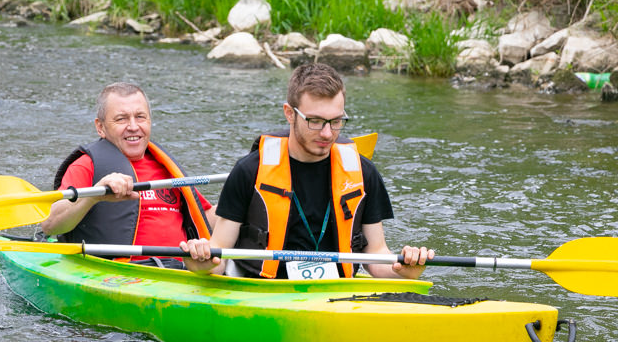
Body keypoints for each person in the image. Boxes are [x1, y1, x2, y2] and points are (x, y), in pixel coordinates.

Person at [182, 62, 433, 279]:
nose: (327, 133)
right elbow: (220, 255)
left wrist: (405, 269)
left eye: (336, 122)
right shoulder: (249, 171)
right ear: (290, 114)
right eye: (315, 121)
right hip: (262, 289)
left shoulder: (363, 172)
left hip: (337, 291)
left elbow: (377, 256)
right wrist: (200, 263)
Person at [42, 82, 214, 267]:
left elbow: (206, 216)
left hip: (184, 270)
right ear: (100, 127)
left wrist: (241, 197)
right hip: (121, 273)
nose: (133, 126)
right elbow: (51, 225)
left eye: (140, 117)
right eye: (121, 119)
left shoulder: (166, 165)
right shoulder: (86, 165)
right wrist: (93, 196)